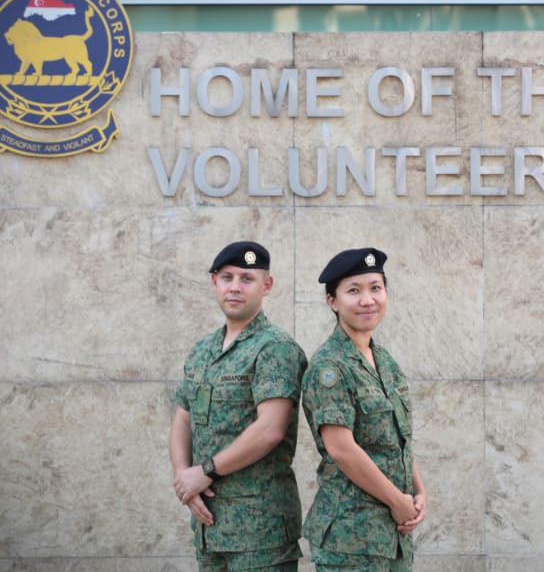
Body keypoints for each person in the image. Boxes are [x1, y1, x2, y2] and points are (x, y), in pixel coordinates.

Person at [169, 241, 307, 572]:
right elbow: (183, 422)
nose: (235, 287)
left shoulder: (276, 348)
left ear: (267, 285)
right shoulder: (203, 350)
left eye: (247, 278)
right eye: (227, 277)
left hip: (261, 532)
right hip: (210, 527)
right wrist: (184, 481)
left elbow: (270, 430)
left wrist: (204, 472)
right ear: (214, 282)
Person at [301, 247, 427, 571]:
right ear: (333, 301)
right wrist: (398, 501)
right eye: (354, 290)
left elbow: (399, 438)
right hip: (350, 537)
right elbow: (341, 449)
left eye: (375, 288)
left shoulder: (385, 362)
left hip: (392, 534)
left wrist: (417, 490)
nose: (368, 300)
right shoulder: (330, 366)